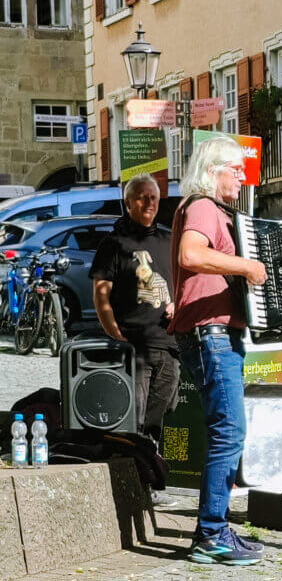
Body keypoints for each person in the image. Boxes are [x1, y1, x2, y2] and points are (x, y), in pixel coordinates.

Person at [168, 135, 267, 566]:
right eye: (235, 169)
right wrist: (245, 266)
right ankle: (211, 533)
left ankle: (216, 528)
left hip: (215, 332)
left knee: (226, 430)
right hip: (210, 332)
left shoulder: (213, 209)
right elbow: (191, 254)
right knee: (229, 431)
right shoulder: (203, 205)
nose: (242, 176)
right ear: (213, 172)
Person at [91, 173, 179, 505]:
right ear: (128, 203)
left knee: (155, 420)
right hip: (134, 347)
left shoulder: (168, 240)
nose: (148, 203)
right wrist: (115, 334)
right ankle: (133, 488)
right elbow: (101, 296)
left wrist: (176, 305)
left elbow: (181, 285)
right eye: (141, 198)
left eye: (153, 198)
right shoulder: (114, 244)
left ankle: (150, 484)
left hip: (168, 345)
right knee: (133, 419)